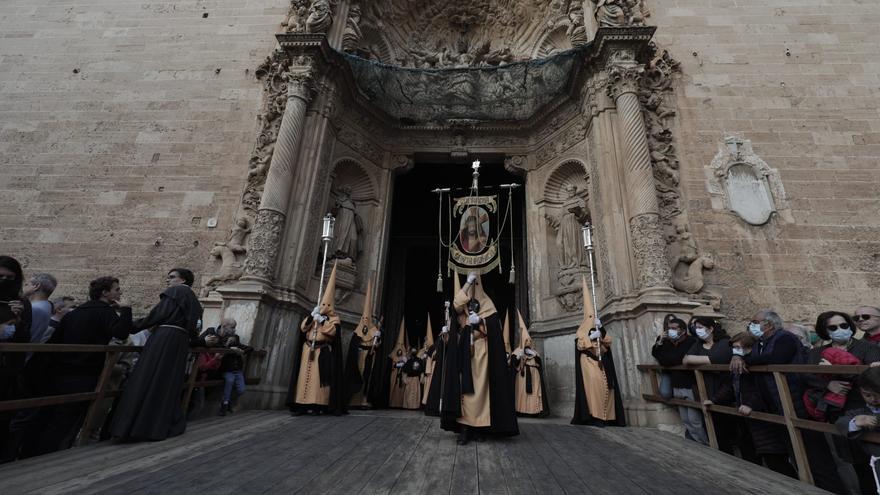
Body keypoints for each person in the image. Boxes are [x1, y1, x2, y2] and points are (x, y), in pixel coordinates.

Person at [17, 276, 134, 457]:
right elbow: (121, 331)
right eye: (117, 289)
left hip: (58, 372)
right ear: (105, 293)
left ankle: (27, 452)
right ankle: (47, 456)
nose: (120, 292)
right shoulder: (105, 313)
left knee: (44, 415)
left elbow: (55, 342)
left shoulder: (75, 313)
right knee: (65, 420)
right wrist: (126, 309)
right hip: (83, 374)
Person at [730, 309, 844, 494]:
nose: (751, 325)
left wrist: (743, 357)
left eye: (755, 321)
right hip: (780, 406)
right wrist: (737, 355)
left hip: (796, 403)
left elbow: (774, 358)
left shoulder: (784, 338)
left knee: (817, 459)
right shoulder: (762, 343)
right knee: (798, 457)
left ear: (768, 324)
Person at [109, 268, 204, 441]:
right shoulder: (195, 301)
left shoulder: (176, 291)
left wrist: (129, 315)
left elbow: (158, 315)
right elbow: (194, 328)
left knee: (148, 377)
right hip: (180, 342)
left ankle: (136, 426)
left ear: (183, 280)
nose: (168, 281)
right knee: (166, 382)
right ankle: (156, 424)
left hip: (164, 339)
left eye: (172, 277)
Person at [440, 271, 518, 444]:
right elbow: (456, 305)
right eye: (471, 282)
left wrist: (481, 323)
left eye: (476, 283)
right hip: (465, 353)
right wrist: (467, 283)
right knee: (465, 391)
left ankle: (480, 428)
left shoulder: (488, 304)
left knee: (481, 391)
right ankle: (465, 428)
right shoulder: (465, 301)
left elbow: (495, 329)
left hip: (483, 353)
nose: (474, 286)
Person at [706, 332, 797, 478]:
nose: (735, 351)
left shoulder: (755, 364)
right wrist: (715, 400)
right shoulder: (737, 364)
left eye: (738, 347)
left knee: (775, 460)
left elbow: (760, 389)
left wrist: (750, 404)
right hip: (745, 419)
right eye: (734, 348)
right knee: (750, 457)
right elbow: (730, 386)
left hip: (761, 417)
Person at [285, 261, 345, 416]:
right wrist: (313, 317)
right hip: (308, 349)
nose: (324, 306)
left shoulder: (334, 319)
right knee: (304, 377)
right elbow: (303, 328)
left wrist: (323, 320)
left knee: (319, 380)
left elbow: (332, 333)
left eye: (327, 304)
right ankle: (301, 404)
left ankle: (319, 405)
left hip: (322, 351)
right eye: (322, 303)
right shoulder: (314, 315)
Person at [683, 316, 748, 456]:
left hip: (724, 390)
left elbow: (716, 359)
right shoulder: (698, 344)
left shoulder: (724, 343)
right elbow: (686, 359)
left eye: (700, 327)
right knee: (714, 429)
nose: (697, 330)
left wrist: (700, 361)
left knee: (729, 430)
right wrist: (705, 361)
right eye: (696, 327)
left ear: (711, 328)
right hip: (706, 390)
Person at [572, 276, 624, 426]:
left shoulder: (598, 327)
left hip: (603, 362)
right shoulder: (581, 331)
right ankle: (596, 416)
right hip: (589, 362)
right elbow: (580, 345)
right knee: (594, 388)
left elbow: (608, 342)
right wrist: (590, 337)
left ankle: (607, 416)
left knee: (607, 385)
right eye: (589, 317)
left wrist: (600, 329)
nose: (591, 318)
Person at [652, 314, 703, 442]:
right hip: (676, 382)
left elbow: (678, 358)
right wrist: (660, 343)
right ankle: (695, 442)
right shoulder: (667, 342)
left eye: (674, 328)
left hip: (689, 383)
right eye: (669, 328)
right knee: (685, 419)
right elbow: (659, 356)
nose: (670, 331)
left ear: (682, 330)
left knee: (694, 419)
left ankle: (705, 443)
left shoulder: (691, 341)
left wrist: (668, 360)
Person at [0, 256, 32, 461]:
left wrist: (19, 320)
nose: (3, 281)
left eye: (8, 278)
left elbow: (24, 338)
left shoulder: (21, 303)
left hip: (6, 369)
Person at [836, 367, 880, 495]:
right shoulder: (860, 412)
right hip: (873, 460)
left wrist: (875, 420)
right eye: (867, 395)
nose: (873, 399)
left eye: (878, 394)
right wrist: (856, 422)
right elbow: (841, 423)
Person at [344, 279, 382, 408]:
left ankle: (364, 399)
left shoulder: (374, 330)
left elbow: (376, 346)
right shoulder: (358, 331)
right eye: (364, 318)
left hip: (369, 357)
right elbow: (354, 344)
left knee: (367, 377)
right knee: (356, 375)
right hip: (358, 357)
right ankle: (353, 399)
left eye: (368, 318)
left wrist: (376, 341)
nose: (366, 321)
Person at [510, 310, 549, 417]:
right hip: (522, 376)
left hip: (534, 375)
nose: (528, 342)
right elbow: (513, 365)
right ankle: (521, 410)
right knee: (522, 394)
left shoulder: (534, 352)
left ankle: (534, 411)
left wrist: (534, 355)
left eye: (529, 341)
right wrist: (519, 357)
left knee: (534, 393)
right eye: (526, 340)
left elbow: (539, 364)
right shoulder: (517, 351)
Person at [217, 318, 251, 416]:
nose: (234, 330)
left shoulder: (235, 337)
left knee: (242, 389)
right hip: (227, 369)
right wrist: (228, 345)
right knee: (230, 381)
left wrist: (242, 351)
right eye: (232, 327)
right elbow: (219, 349)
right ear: (224, 326)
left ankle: (229, 401)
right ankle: (224, 404)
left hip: (237, 369)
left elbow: (246, 347)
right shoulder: (218, 336)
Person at [22, 273, 57, 346]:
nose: (24, 287)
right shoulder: (47, 305)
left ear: (36, 286)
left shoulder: (34, 308)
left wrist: (22, 296)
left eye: (26, 284)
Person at [387, 319, 409, 409]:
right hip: (394, 374)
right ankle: (391, 403)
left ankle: (399, 404)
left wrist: (404, 362)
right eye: (398, 344)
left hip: (401, 375)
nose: (400, 347)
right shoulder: (393, 356)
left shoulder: (405, 357)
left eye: (401, 345)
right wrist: (395, 365)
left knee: (400, 389)